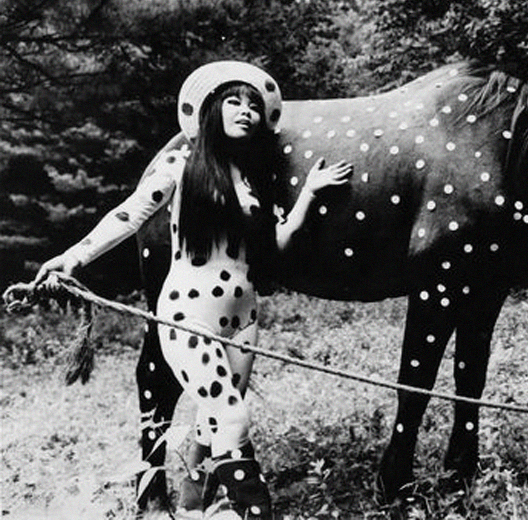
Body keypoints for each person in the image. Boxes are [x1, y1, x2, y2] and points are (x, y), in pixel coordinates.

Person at [32, 61, 353, 519]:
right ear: (210, 110)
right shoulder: (182, 164)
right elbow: (130, 215)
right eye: (233, 102)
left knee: (212, 420)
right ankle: (257, 513)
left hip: (245, 320)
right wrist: (74, 256)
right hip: (189, 313)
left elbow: (276, 245)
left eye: (254, 106)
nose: (245, 111)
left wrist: (308, 196)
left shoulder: (255, 183)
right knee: (235, 418)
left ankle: (192, 507)